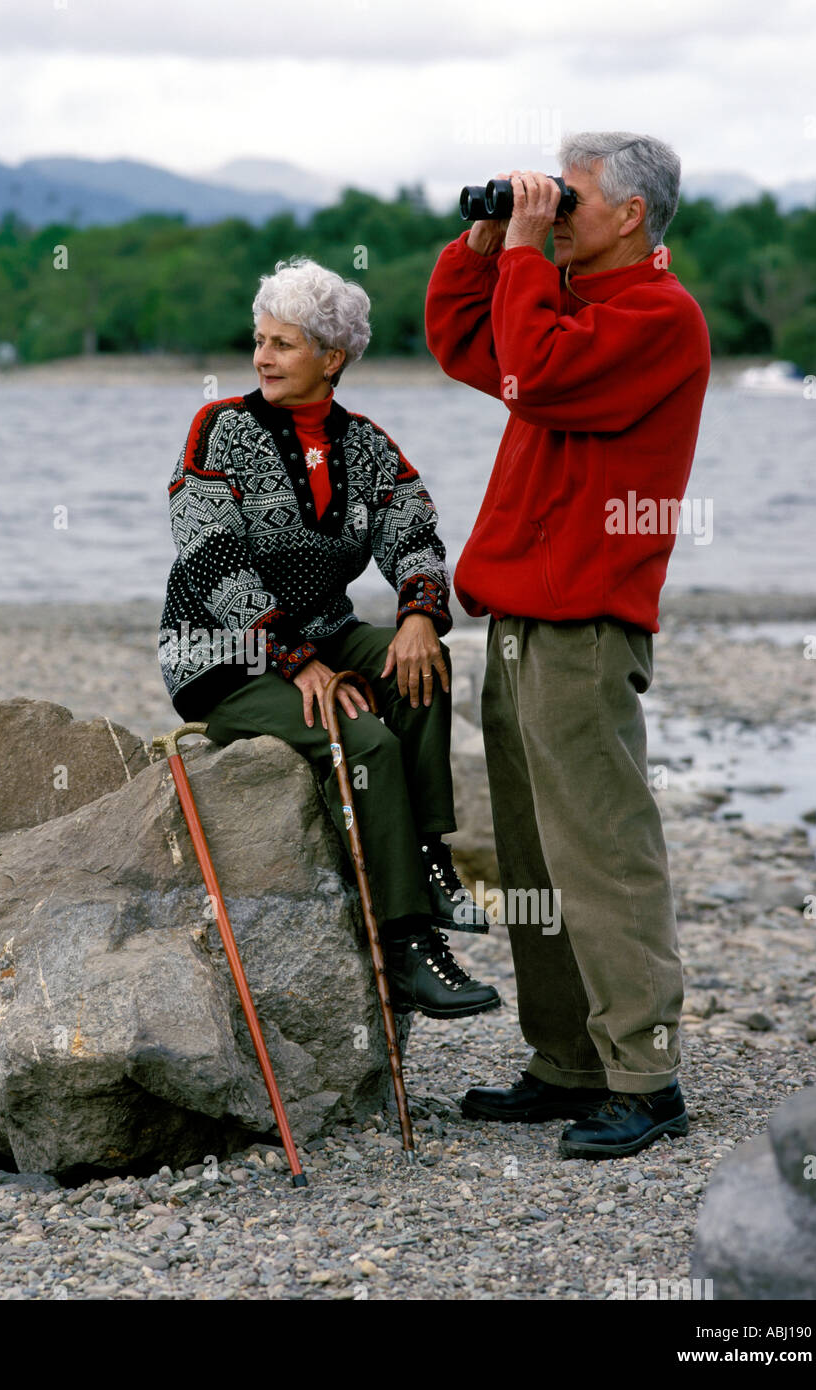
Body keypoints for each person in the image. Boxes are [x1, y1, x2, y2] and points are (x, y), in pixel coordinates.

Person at [425, 131, 711, 1158]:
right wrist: (486, 242)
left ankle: (646, 1074)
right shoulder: (569, 301)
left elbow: (536, 373)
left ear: (630, 213)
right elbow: (469, 345)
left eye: (571, 195)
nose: (554, 205)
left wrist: (522, 260)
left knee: (601, 851)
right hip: (517, 617)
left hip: (586, 622)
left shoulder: (657, 318)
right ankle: (565, 1063)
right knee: (533, 856)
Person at [157, 256, 499, 1023]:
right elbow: (209, 555)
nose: (262, 358)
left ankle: (428, 857)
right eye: (260, 340)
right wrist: (297, 661)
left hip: (326, 635)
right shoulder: (221, 429)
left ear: (331, 358)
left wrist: (418, 616)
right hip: (221, 654)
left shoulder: (368, 444)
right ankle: (407, 943)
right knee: (366, 741)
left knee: (422, 665)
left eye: (282, 344)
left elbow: (415, 534)